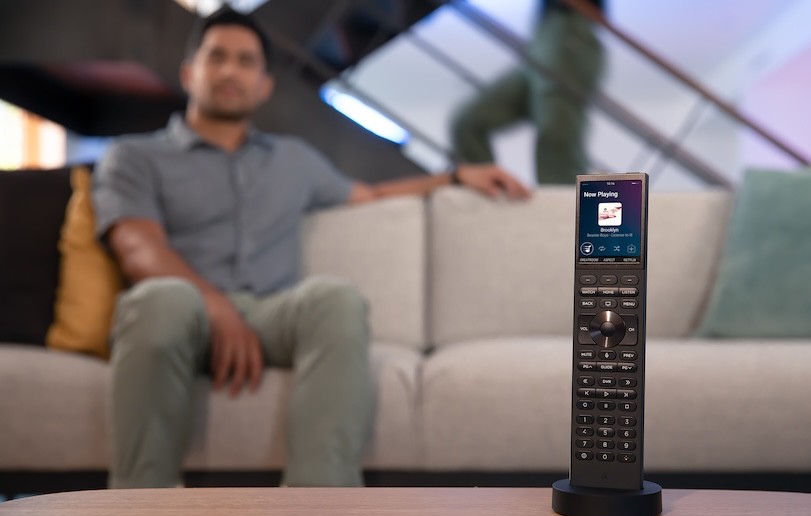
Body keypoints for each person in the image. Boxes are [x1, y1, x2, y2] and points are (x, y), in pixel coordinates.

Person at [93, 7, 529, 489]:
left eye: (246, 61)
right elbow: (138, 247)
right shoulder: (134, 157)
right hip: (181, 312)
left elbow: (371, 195)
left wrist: (453, 176)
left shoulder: (294, 160)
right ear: (189, 72)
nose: (231, 70)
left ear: (264, 84)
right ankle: (138, 509)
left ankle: (319, 512)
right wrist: (215, 307)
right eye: (217, 57)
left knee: (335, 299)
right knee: (162, 299)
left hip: (269, 312)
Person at [450, 0, 605, 184]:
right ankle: (488, 189)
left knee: (556, 129)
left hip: (571, 27)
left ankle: (565, 207)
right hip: (543, 34)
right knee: (468, 122)